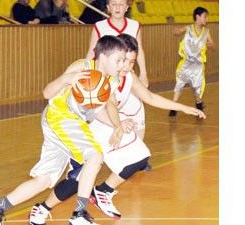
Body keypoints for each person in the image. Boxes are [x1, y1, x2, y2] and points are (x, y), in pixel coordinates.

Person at [28, 34, 206, 225]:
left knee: (139, 156)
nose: (127, 66)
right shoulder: (101, 74)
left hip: (108, 126)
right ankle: (44, 208)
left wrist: (184, 107)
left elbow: (150, 97)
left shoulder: (128, 76)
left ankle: (103, 191)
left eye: (131, 62)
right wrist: (118, 125)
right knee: (77, 179)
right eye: (123, 60)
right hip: (87, 127)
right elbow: (108, 105)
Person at [0, 35, 128, 225]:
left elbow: (100, 111)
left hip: (72, 123)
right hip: (60, 117)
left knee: (44, 179)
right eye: (119, 59)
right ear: (103, 57)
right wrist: (67, 78)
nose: (122, 64)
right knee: (95, 157)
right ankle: (79, 215)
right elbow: (47, 93)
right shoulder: (82, 67)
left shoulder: (111, 81)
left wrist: (118, 126)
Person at [86, 0, 151, 170]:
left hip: (128, 77)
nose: (117, 8)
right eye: (113, 4)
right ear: (107, 7)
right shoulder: (99, 26)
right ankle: (109, 152)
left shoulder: (135, 25)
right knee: (111, 112)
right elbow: (91, 53)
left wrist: (143, 73)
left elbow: (140, 50)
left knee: (137, 115)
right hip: (109, 80)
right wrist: (88, 75)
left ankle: (136, 154)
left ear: (127, 7)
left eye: (121, 4)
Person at [169, 6, 216, 117]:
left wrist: (212, 46)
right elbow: (177, 32)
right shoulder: (188, 28)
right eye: (205, 17)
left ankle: (199, 105)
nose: (207, 19)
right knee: (179, 84)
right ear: (197, 16)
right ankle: (173, 107)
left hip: (198, 66)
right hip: (186, 63)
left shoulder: (206, 32)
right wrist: (176, 31)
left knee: (197, 88)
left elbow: (214, 48)